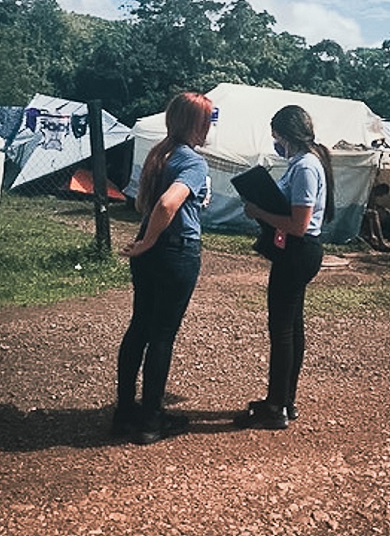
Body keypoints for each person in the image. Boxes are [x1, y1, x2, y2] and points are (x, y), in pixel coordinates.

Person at [112, 91, 212, 444]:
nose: (208, 128)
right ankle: (152, 419)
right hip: (175, 250)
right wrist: (152, 240)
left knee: (139, 326)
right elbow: (168, 206)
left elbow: (146, 201)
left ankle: (124, 412)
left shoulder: (159, 153)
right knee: (162, 335)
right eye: (205, 121)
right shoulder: (193, 161)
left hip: (150, 254)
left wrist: (145, 243)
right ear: (191, 123)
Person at [234, 105, 335, 430]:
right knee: (291, 327)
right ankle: (285, 401)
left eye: (275, 134)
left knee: (282, 330)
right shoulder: (303, 163)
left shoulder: (306, 166)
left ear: (284, 133)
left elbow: (298, 224)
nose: (274, 140)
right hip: (297, 252)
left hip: (297, 251)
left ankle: (276, 406)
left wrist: (258, 212)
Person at [361, 182, 390, 252]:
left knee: (373, 213)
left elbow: (373, 205)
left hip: (364, 210)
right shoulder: (370, 192)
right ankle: (381, 242)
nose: (381, 196)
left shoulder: (373, 194)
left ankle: (372, 236)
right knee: (374, 214)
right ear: (380, 189)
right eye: (382, 194)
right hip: (358, 210)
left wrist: (383, 208)